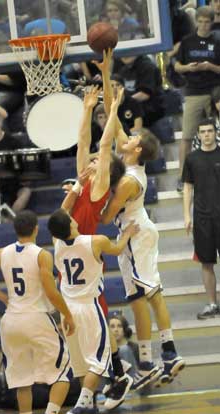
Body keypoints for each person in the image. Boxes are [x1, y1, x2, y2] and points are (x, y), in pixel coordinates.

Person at [99, 55, 185, 394]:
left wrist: (98, 200)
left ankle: (170, 351)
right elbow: (112, 116)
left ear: (137, 150)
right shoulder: (128, 153)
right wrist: (106, 76)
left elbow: (107, 217)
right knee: (138, 299)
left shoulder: (129, 181)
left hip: (136, 233)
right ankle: (148, 362)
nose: (128, 136)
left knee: (151, 293)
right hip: (133, 234)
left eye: (133, 138)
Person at [61, 76, 133, 410]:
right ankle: (116, 373)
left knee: (100, 325)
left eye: (95, 162)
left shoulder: (100, 187)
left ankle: (114, 375)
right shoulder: (82, 180)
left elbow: (104, 148)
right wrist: (87, 110)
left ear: (105, 171)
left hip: (89, 254)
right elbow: (82, 142)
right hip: (71, 255)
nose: (89, 161)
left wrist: (113, 108)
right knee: (91, 331)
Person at [48, 208, 139, 414]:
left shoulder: (57, 245)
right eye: (71, 217)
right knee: (98, 361)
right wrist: (127, 233)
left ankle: (88, 406)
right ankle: (80, 407)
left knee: (80, 364)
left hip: (67, 310)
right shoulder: (96, 241)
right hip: (88, 307)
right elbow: (117, 250)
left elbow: (59, 217)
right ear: (71, 224)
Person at [0, 210, 75, 414]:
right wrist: (68, 314)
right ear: (36, 229)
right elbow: (50, 291)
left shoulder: (2, 252)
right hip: (36, 318)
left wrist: (3, 298)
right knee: (64, 372)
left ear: (15, 230)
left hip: (10, 321)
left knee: (22, 381)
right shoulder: (42, 255)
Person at [174, 5, 220, 192]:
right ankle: (182, 177)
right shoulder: (187, 41)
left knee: (217, 133)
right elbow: (177, 66)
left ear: (212, 22)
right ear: (196, 21)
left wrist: (211, 66)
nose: (203, 25)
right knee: (187, 136)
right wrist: (187, 68)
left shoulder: (218, 41)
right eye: (200, 21)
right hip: (193, 91)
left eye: (207, 22)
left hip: (216, 91)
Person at [182, 118, 220, 319]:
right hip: (202, 218)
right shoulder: (192, 159)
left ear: (215, 133)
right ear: (198, 134)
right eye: (203, 131)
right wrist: (187, 215)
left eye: (210, 131)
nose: (206, 135)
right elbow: (188, 187)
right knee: (206, 263)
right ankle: (212, 304)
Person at [0, 109, 31, 214]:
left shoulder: (13, 142)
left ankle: (11, 216)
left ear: (2, 122)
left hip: (12, 183)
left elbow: (22, 166)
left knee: (26, 192)